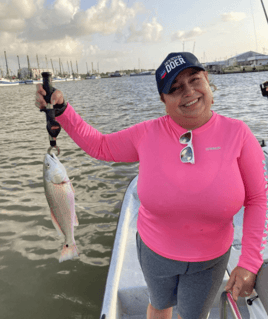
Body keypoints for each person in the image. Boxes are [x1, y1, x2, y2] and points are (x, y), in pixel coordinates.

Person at [35, 52, 267, 319]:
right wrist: (62, 111)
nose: (189, 92)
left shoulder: (239, 133)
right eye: (175, 88)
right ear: (163, 100)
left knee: (193, 315)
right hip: (155, 253)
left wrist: (249, 261)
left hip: (211, 260)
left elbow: (258, 198)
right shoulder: (147, 133)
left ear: (208, 82)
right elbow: (100, 146)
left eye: (195, 80)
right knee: (159, 305)